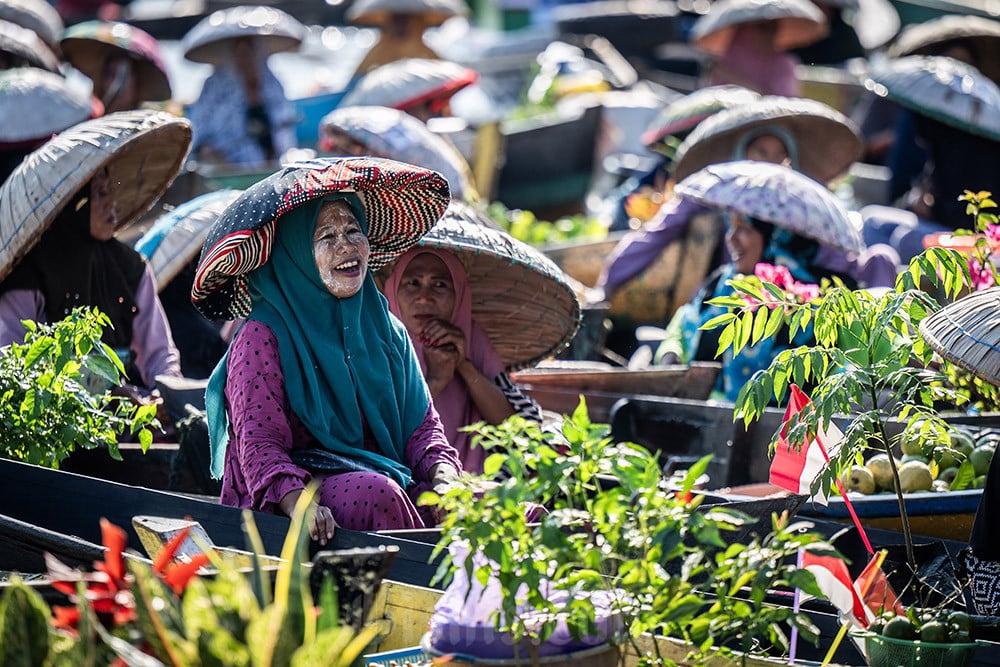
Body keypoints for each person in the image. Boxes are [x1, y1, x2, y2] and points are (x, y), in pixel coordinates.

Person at [198, 160, 461, 542]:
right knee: (377, 495)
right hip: (290, 498)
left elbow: (423, 433)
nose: (346, 246)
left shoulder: (389, 331)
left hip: (386, 477)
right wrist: (297, 503)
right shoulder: (261, 336)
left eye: (354, 230)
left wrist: (446, 479)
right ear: (297, 255)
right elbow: (260, 448)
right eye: (326, 237)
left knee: (496, 508)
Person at [0, 167, 182, 393]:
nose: (111, 203)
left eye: (109, 191)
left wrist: (165, 394)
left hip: (126, 414)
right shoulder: (30, 276)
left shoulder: (129, 267)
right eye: (98, 193)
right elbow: (10, 362)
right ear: (71, 204)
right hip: (53, 417)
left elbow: (160, 354)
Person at [383, 247, 543, 473]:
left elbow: (516, 432)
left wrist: (464, 365)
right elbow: (384, 433)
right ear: (393, 289)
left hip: (478, 473)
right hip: (408, 473)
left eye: (440, 285)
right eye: (413, 283)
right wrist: (437, 380)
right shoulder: (380, 341)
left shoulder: (471, 336)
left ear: (459, 293)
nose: (424, 297)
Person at [653, 211, 835, 401]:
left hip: (773, 423)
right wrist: (671, 353)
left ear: (772, 236)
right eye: (731, 226)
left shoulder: (805, 298)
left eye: (744, 229)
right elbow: (683, 323)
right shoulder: (721, 283)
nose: (731, 238)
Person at [187, 35, 297, 167]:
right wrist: (208, 151)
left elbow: (284, 130)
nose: (246, 60)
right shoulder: (214, 86)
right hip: (225, 164)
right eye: (240, 53)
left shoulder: (272, 83)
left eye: (250, 52)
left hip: (271, 162)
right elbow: (200, 131)